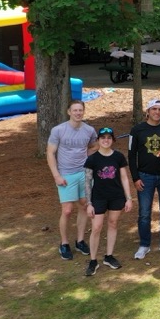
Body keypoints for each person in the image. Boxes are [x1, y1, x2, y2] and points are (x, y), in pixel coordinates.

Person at [47, 100, 98, 261]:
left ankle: (80, 240)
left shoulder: (89, 130)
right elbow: (50, 153)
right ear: (69, 112)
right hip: (66, 174)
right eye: (75, 110)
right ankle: (64, 243)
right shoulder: (59, 130)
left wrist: (86, 156)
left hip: (83, 173)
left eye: (80, 110)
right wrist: (56, 175)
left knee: (84, 206)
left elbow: (95, 146)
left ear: (83, 112)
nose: (78, 113)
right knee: (67, 210)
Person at [128, 99, 160, 261]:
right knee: (144, 213)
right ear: (147, 111)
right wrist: (135, 177)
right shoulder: (137, 130)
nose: (157, 112)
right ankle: (144, 244)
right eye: (154, 109)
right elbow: (131, 155)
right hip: (144, 176)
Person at [82, 126, 133, 275]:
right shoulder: (92, 159)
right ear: (98, 140)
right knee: (96, 227)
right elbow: (87, 182)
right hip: (98, 197)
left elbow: (124, 177)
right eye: (103, 138)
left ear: (113, 140)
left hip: (116, 196)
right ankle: (93, 260)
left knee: (113, 223)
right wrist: (89, 203)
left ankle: (109, 256)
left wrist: (128, 198)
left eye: (109, 138)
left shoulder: (118, 157)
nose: (106, 140)